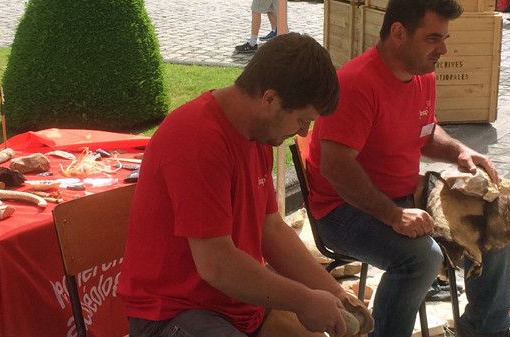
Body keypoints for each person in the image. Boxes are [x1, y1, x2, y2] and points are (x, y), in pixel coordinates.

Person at [119, 32, 372, 337]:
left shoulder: (257, 132)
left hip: (231, 303)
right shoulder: (198, 138)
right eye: (302, 120)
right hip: (171, 313)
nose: (302, 132)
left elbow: (271, 229)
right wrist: (304, 300)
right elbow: (216, 264)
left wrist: (335, 294)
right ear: (270, 99)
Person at [305, 0, 510, 336]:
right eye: (433, 38)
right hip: (341, 211)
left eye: (444, 38)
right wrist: (393, 215)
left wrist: (460, 151)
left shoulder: (422, 76)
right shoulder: (356, 83)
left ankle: (486, 329)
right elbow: (335, 167)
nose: (443, 49)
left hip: (402, 196)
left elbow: (426, 132)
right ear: (398, 33)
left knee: (495, 219)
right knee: (421, 258)